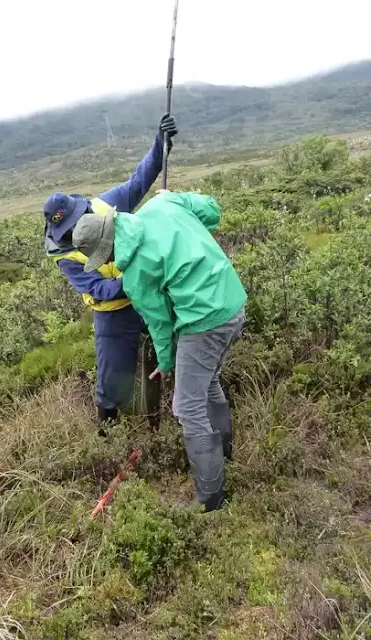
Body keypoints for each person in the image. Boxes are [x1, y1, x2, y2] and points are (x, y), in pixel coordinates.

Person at [71, 190, 247, 512]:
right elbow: (212, 211)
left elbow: (161, 323)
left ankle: (211, 499)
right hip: (233, 303)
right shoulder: (162, 203)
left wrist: (164, 362)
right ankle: (223, 454)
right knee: (208, 383)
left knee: (186, 406)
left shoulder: (135, 274)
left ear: (107, 249)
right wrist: (177, 199)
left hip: (204, 320)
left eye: (103, 258)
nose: (107, 263)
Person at [43, 114, 178, 426]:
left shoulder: (104, 206)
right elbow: (99, 290)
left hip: (145, 296)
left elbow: (139, 181)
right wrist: (139, 278)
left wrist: (161, 143)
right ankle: (109, 433)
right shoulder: (64, 256)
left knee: (175, 341)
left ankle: (173, 408)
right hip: (113, 313)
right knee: (112, 380)